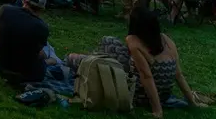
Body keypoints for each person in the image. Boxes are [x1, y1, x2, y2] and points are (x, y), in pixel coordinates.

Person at [66, 7, 198, 117]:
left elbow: (147, 76)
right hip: (164, 94)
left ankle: (76, 58)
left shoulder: (133, 40)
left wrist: (157, 110)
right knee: (111, 45)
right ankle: (89, 57)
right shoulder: (167, 40)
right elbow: (178, 75)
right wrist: (192, 102)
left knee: (101, 45)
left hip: (140, 94)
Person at [0, 0, 49, 84]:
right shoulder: (42, 27)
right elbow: (38, 53)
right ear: (41, 9)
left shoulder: (4, 9)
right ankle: (51, 61)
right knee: (45, 55)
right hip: (28, 75)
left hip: (4, 67)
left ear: (23, 1)